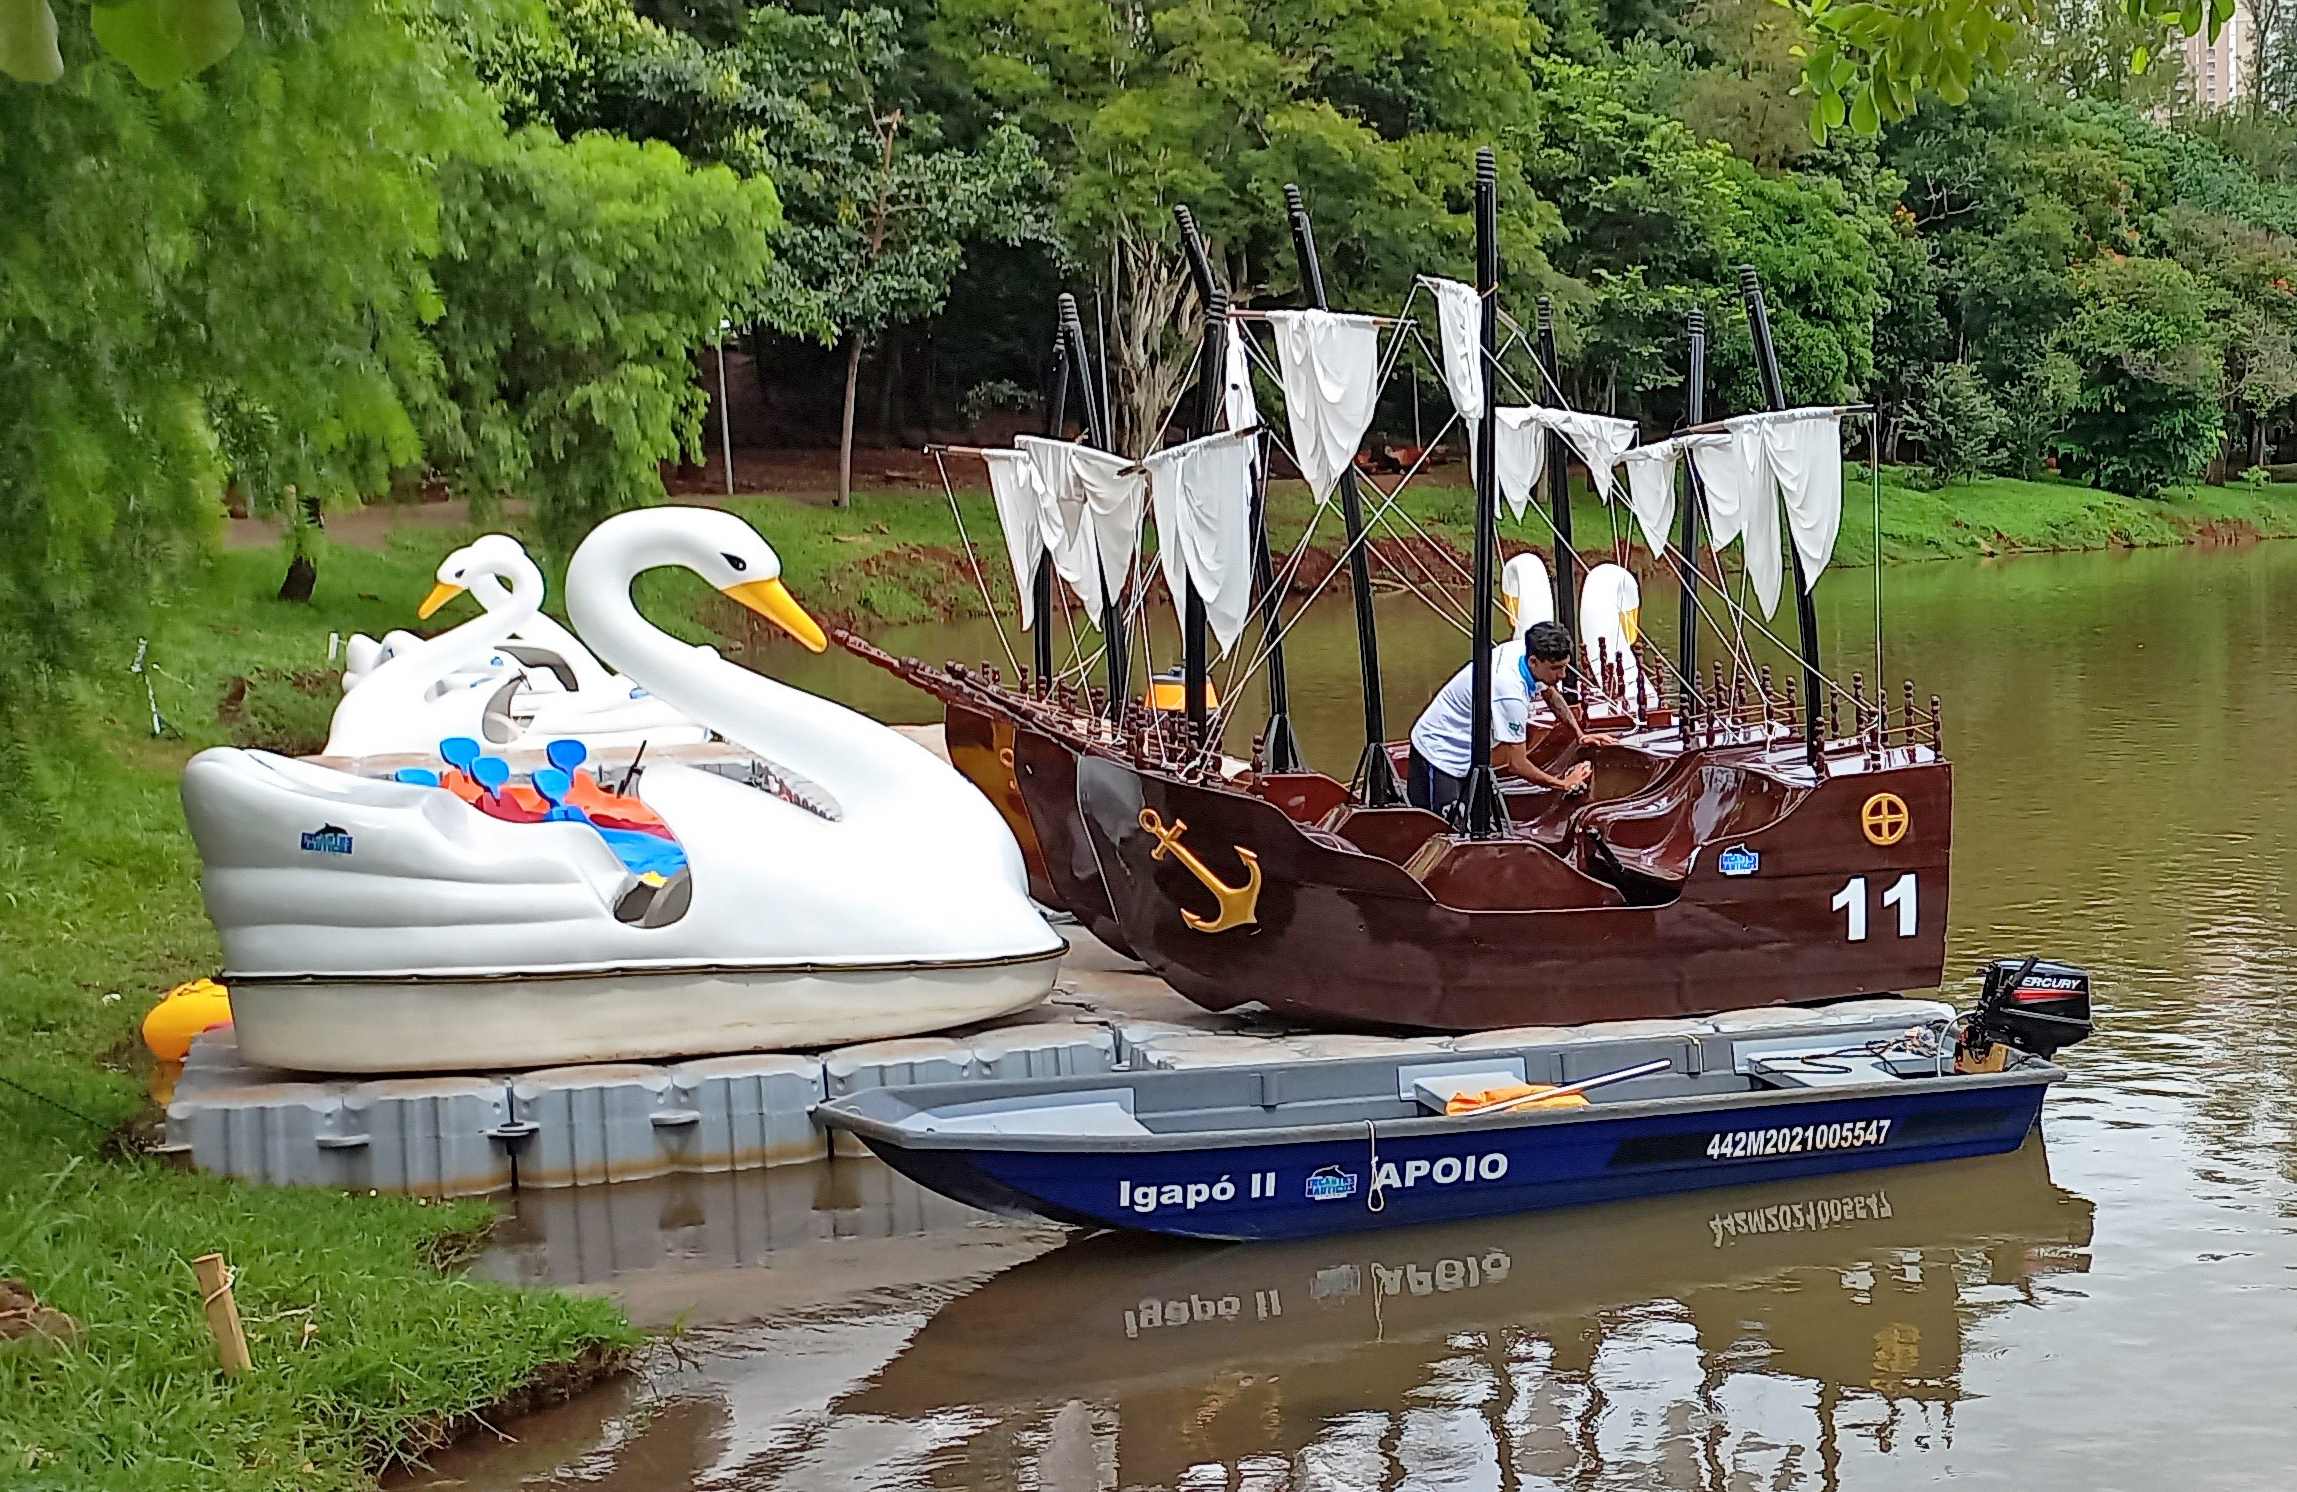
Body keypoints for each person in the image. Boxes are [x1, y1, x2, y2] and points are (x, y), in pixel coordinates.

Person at [1405, 620, 1615, 817]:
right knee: (1443, 827)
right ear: (1533, 661)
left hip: (1470, 750)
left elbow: (1549, 692)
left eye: (1564, 667)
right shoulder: (1509, 692)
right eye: (1555, 669)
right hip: (1439, 751)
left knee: (1475, 819)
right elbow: (1517, 764)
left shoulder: (1522, 650)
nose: (1562, 675)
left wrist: (1579, 734)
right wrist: (1564, 783)